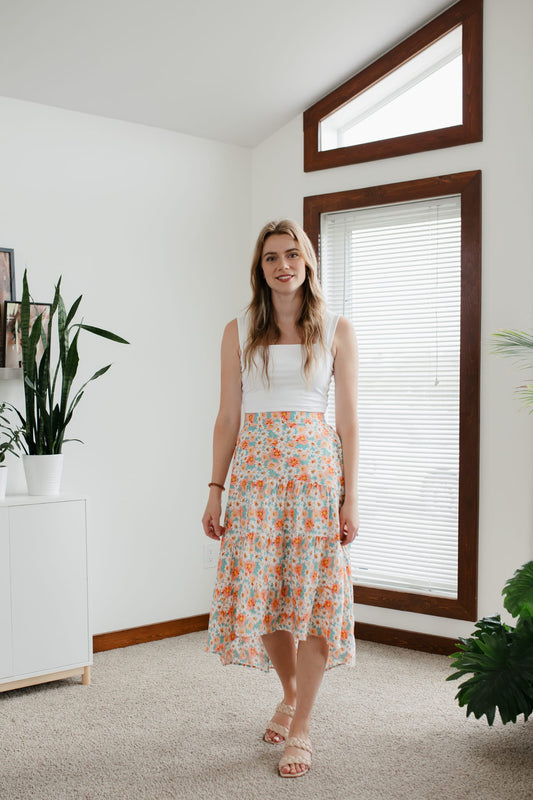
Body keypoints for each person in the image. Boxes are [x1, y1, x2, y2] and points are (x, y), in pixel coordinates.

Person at [202, 219, 358, 778]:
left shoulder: (337, 330)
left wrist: (351, 498)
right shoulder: (237, 330)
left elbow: (348, 425)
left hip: (316, 482)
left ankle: (302, 726)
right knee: (264, 596)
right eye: (271, 257)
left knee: (316, 602)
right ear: (260, 268)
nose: (282, 265)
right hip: (255, 482)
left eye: (292, 255)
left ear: (308, 263)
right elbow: (227, 417)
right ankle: (290, 691)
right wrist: (215, 489)